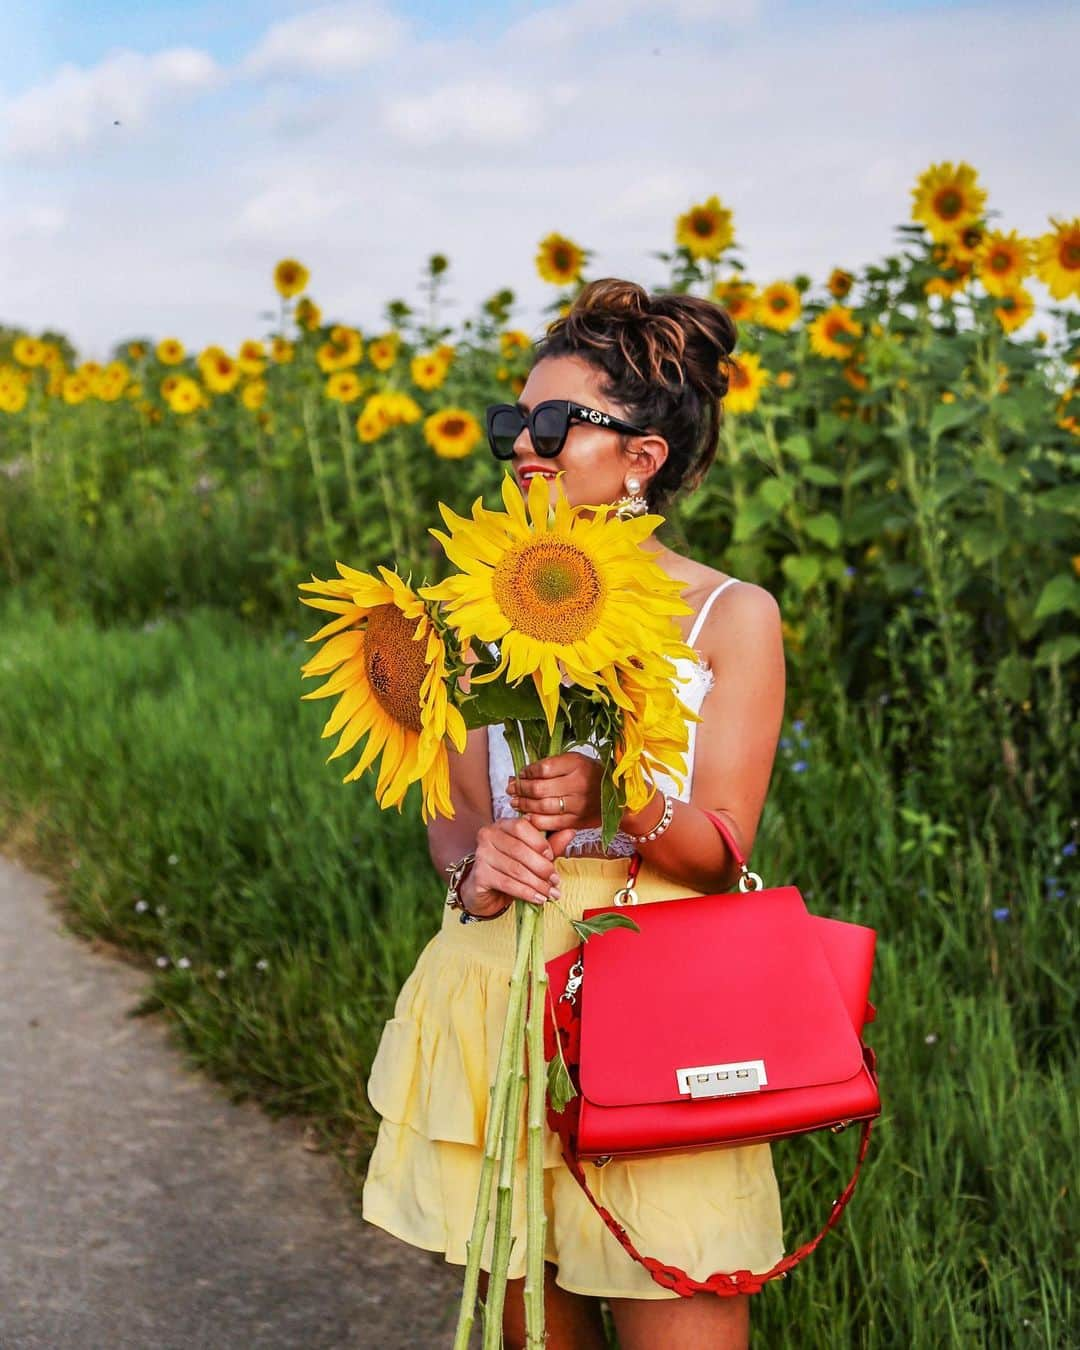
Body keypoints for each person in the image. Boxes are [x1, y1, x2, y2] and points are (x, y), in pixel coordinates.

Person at [361, 278, 788, 1350]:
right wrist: (478, 864)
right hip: (501, 998)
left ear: (642, 457)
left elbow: (725, 844)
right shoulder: (466, 609)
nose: (522, 447)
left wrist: (621, 794)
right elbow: (452, 817)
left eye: (555, 424)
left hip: (663, 1005)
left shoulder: (731, 617)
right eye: (512, 423)